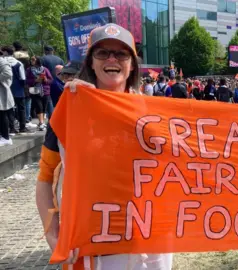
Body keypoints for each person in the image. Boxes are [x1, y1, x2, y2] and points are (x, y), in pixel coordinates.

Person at [36, 23, 173, 269]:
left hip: (148, 249)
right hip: (90, 250)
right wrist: (52, 233)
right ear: (91, 62)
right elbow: (46, 178)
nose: (112, 59)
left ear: (132, 63)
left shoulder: (154, 114)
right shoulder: (69, 111)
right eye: (102, 53)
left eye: (121, 53)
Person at [1, 45, 29, 134]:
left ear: (5, 52)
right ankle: (22, 126)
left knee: (8, 109)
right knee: (21, 108)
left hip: (5, 89)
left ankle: (11, 128)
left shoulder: (3, 62)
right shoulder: (18, 63)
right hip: (18, 89)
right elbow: (23, 77)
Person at [26, 56, 53, 131]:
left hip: (45, 91)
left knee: (44, 107)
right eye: (31, 59)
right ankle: (41, 123)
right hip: (34, 91)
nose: (31, 61)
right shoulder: (29, 70)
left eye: (33, 59)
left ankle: (42, 122)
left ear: (38, 60)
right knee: (39, 106)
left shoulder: (45, 69)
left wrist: (46, 79)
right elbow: (27, 81)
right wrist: (35, 80)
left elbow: (51, 80)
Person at [0, 56, 14, 146]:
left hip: (2, 92)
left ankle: (6, 137)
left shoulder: (2, 61)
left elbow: (8, 73)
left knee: (2, 114)